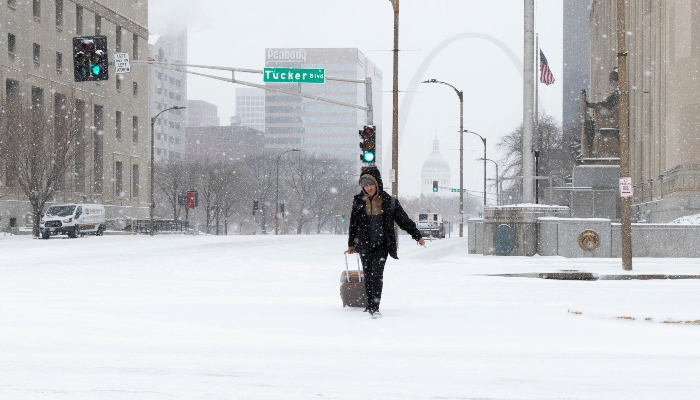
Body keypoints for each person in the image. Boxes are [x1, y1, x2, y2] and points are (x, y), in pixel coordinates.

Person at [345, 167, 425, 319]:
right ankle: (370, 304)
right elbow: (353, 224)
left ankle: (375, 307)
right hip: (365, 244)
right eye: (365, 185)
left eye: (371, 184)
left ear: (377, 184)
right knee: (368, 275)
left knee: (377, 274)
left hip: (382, 245)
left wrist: (416, 235)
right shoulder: (358, 201)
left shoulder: (389, 202)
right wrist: (351, 244)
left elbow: (403, 220)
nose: (368, 188)